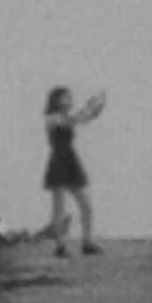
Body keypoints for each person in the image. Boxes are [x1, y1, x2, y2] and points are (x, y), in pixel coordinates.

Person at [42, 85, 106, 257]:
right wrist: (89, 107)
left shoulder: (65, 117)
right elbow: (72, 120)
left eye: (69, 98)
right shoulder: (52, 118)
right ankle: (61, 246)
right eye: (65, 98)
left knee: (86, 204)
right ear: (55, 100)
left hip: (71, 161)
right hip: (59, 162)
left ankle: (87, 242)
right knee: (60, 209)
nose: (69, 101)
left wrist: (95, 109)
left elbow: (82, 118)